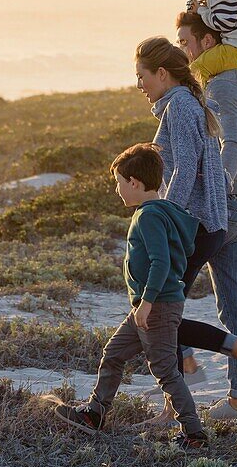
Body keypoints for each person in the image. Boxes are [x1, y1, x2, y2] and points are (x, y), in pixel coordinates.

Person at [134, 37, 237, 412]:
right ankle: (228, 388)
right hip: (214, 218)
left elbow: (183, 169)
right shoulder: (185, 102)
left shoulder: (179, 106)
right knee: (226, 306)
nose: (139, 86)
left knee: (159, 312)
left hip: (195, 224)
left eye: (142, 76)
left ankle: (183, 385)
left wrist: (164, 218)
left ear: (162, 74)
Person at [53, 143, 208, 448]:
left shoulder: (149, 216)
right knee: (113, 354)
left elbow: (161, 262)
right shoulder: (161, 211)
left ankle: (194, 434)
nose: (117, 190)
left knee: (165, 371)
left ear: (134, 183)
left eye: (119, 183)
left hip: (156, 306)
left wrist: (147, 302)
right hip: (150, 305)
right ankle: (94, 414)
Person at [175, 11, 237, 420]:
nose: (183, 50)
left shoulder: (224, 85)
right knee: (234, 304)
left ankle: (185, 372)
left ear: (207, 43)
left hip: (224, 205)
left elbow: (234, 142)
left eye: (186, 42)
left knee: (164, 289)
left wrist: (216, 186)